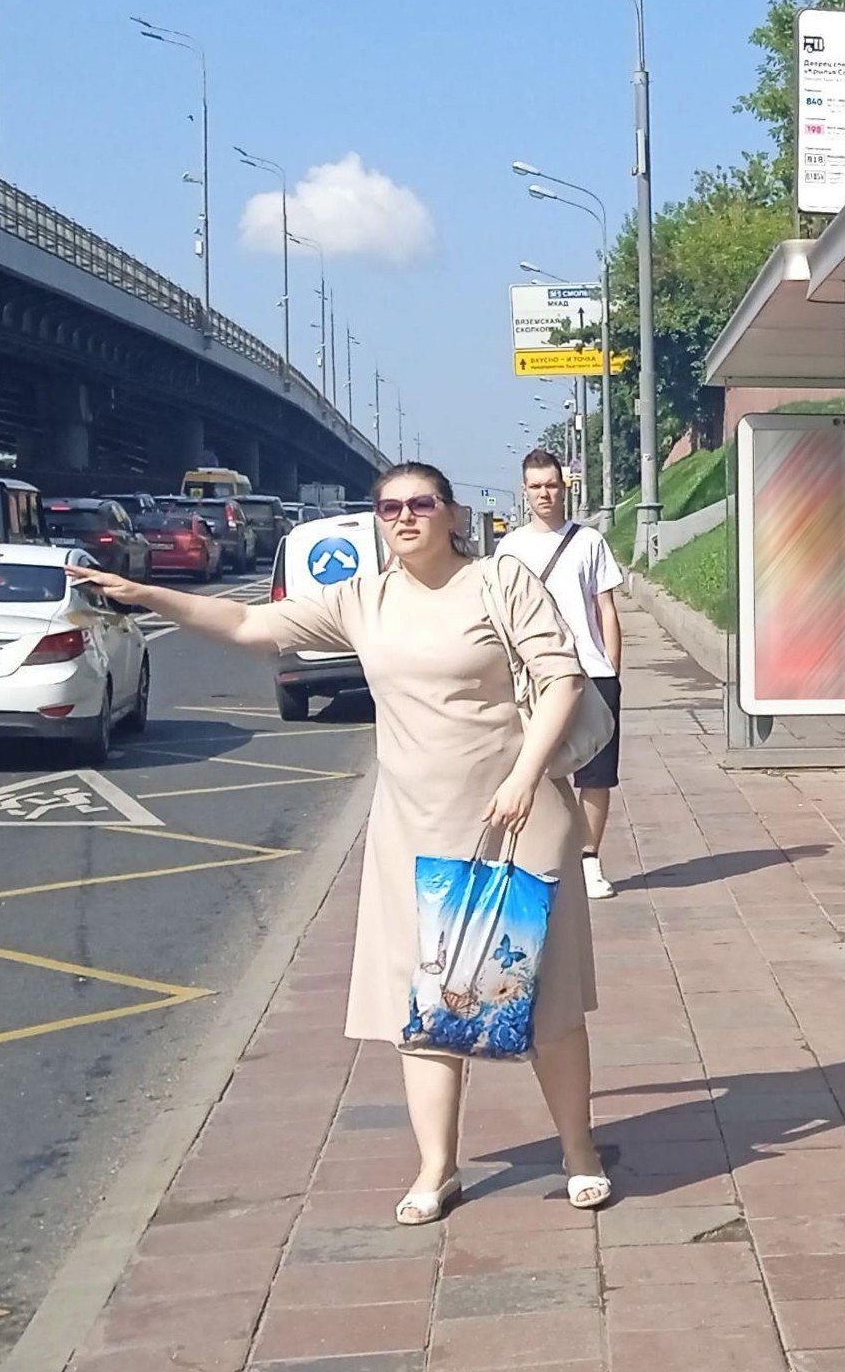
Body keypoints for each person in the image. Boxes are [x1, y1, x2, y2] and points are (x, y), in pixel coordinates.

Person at [79, 462, 610, 1221]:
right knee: (424, 1006)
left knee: (544, 998)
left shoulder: (500, 582)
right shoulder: (364, 599)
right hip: (416, 828)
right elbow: (248, 626)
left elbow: (561, 680)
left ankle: (579, 1152)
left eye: (420, 503)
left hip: (516, 819)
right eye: (389, 508)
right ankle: (437, 1168)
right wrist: (146, 595)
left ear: (451, 513)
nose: (405, 517)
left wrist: (525, 777)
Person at [496, 450, 628, 900]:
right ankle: (543, 860)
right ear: (524, 491)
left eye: (551, 485)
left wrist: (611, 668)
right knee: (536, 769)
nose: (544, 494)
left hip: (591, 673)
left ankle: (589, 859)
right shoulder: (510, 549)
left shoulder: (589, 542)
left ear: (563, 487)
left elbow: (606, 609)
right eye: (536, 487)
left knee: (596, 775)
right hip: (536, 679)